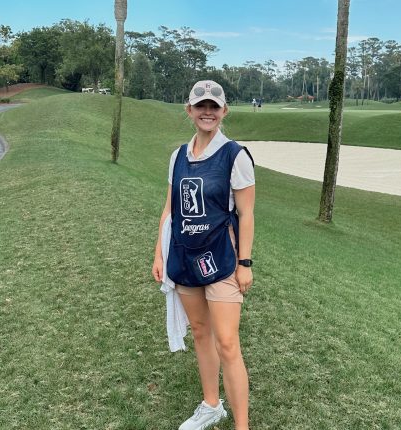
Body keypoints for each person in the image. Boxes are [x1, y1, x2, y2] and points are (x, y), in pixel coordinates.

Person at [152, 80, 255, 430]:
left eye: (214, 106)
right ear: (189, 111)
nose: (207, 112)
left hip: (223, 259)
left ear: (224, 111)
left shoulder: (235, 156)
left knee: (227, 342)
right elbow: (170, 209)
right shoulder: (177, 156)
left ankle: (242, 425)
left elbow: (247, 214)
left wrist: (245, 263)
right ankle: (212, 405)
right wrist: (159, 254)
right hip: (183, 256)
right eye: (201, 106)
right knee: (200, 331)